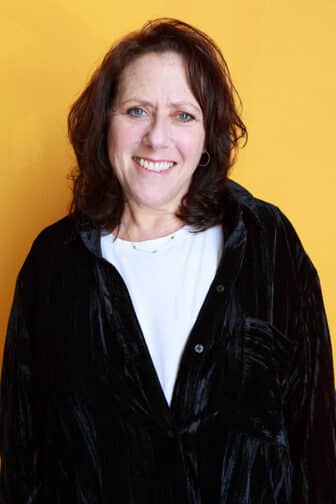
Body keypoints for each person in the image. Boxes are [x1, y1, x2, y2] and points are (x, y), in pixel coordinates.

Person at [0, 17, 335, 503]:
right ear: (104, 124)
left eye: (183, 115)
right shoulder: (54, 264)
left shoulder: (268, 244)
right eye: (136, 111)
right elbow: (23, 457)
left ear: (207, 136)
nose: (157, 138)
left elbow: (315, 442)